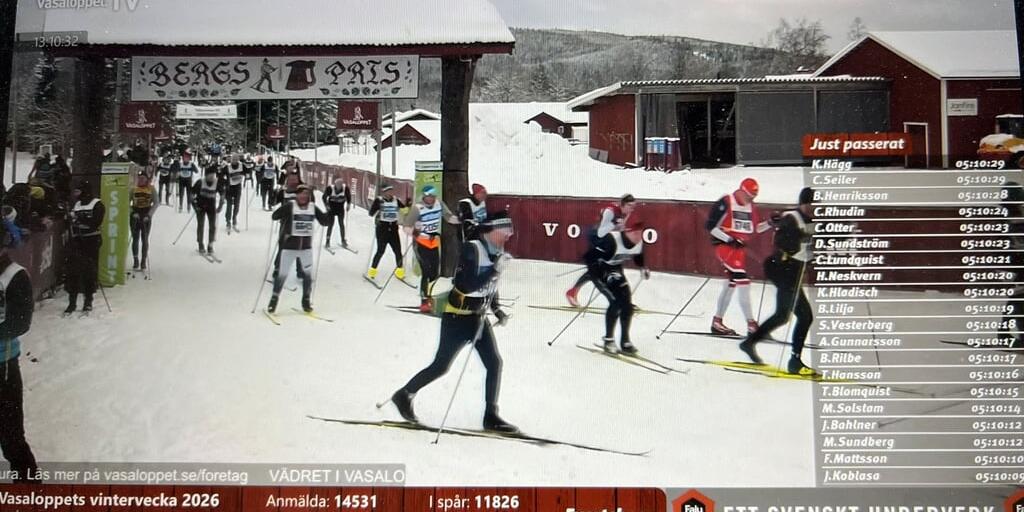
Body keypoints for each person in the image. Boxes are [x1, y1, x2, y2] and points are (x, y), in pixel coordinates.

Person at [389, 211, 516, 432]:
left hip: (477, 318)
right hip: (456, 318)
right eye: (505, 231)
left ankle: (491, 416)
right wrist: (494, 269)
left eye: (510, 232)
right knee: (441, 366)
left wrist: (497, 310)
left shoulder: (497, 252)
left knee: (494, 363)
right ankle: (404, 394)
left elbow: (491, 286)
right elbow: (466, 285)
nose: (508, 236)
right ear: (492, 230)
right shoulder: (472, 249)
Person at [740, 187, 816, 375]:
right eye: (808, 204)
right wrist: (798, 239)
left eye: (815, 205)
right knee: (804, 316)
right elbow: (781, 241)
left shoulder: (813, 221)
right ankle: (794, 361)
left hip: (793, 271)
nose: (812, 208)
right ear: (802, 204)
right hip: (783, 269)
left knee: (783, 315)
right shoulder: (792, 218)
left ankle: (749, 343)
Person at [706, 178, 773, 335]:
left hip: (739, 250)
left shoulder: (751, 207)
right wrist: (729, 239)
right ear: (741, 191)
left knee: (731, 283)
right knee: (743, 281)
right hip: (725, 247)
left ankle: (717, 321)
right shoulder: (727, 201)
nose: (750, 199)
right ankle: (751, 324)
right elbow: (710, 226)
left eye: (753, 197)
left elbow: (756, 228)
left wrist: (770, 223)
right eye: (749, 196)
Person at [0, 220, 40, 482]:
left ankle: (28, 487)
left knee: (11, 435)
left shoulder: (14, 276)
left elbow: (20, 322)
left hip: (3, 367)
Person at [584, 219, 651, 354]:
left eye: (640, 233)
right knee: (615, 302)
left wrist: (643, 267)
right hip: (599, 271)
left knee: (627, 304)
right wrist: (594, 273)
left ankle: (625, 341)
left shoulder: (639, 243)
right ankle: (608, 340)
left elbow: (638, 257)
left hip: (615, 270)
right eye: (635, 233)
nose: (638, 237)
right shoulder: (611, 240)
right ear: (626, 232)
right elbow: (589, 255)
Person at [565, 194, 637, 307]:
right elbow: (601, 233)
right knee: (602, 271)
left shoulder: (626, 213)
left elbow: (619, 229)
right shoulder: (610, 211)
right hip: (597, 240)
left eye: (634, 206)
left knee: (604, 271)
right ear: (623, 204)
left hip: (608, 243)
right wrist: (614, 223)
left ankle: (572, 292)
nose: (632, 209)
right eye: (630, 206)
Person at [268, 184, 330, 313]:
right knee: (282, 275)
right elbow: (274, 216)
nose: (303, 196)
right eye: (301, 194)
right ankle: (274, 300)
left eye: (306, 194)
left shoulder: (312, 208)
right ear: (297, 195)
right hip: (289, 247)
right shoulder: (290, 206)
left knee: (307, 276)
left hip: (306, 248)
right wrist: (283, 215)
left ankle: (306, 301)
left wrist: (329, 212)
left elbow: (324, 222)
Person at [403, 185, 460, 313]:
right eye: (429, 197)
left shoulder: (439, 204)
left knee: (434, 273)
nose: (432, 199)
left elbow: (449, 217)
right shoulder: (417, 208)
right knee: (426, 272)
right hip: (421, 244)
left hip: (433, 243)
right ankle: (424, 301)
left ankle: (431, 297)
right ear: (424, 197)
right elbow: (406, 226)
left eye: (434, 196)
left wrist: (461, 220)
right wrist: (415, 232)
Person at [65, 181, 105, 314]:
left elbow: (95, 222)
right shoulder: (77, 204)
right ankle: (72, 302)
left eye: (78, 191)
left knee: (89, 271)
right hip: (77, 240)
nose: (75, 194)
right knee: (73, 271)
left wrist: (79, 220)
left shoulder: (97, 204)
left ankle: (88, 300)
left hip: (91, 240)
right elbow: (72, 220)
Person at [367, 184, 407, 282]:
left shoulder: (396, 200)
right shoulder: (379, 200)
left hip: (393, 229)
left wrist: (408, 207)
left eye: (391, 190)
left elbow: (404, 210)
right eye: (387, 191)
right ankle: (372, 272)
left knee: (398, 251)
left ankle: (400, 272)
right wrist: (378, 210)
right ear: (383, 192)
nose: (390, 193)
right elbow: (371, 213)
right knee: (380, 251)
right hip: (382, 229)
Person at [130, 174, 158, 270]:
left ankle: (143, 260)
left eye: (143, 179)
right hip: (135, 214)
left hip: (146, 214)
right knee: (135, 238)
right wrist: (132, 212)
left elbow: (156, 202)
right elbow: (127, 202)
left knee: (145, 238)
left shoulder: (151, 189)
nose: (141, 180)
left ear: (146, 180)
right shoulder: (133, 188)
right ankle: (135, 259)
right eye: (140, 178)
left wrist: (149, 215)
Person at [192, 168, 220, 255]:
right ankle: (200, 244)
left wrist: (220, 205)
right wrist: (195, 206)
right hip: (200, 207)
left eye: (214, 175)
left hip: (211, 207)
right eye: (210, 175)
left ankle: (210, 245)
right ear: (206, 175)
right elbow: (191, 195)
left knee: (213, 226)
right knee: (201, 225)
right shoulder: (200, 182)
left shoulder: (217, 182)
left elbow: (222, 193)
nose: (212, 177)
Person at [323, 178, 351, 248]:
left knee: (341, 224)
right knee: (330, 224)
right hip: (331, 209)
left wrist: (348, 205)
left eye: (340, 185)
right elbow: (324, 197)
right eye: (337, 185)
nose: (339, 187)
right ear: (335, 184)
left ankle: (343, 241)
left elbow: (349, 197)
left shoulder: (345, 188)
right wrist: (326, 206)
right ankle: (327, 241)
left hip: (340, 208)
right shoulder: (330, 188)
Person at [222, 154, 246, 232]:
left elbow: (247, 171)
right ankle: (228, 222)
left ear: (238, 160)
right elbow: (221, 175)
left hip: (238, 187)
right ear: (231, 160)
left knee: (237, 205)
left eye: (236, 160)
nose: (234, 161)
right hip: (229, 188)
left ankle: (234, 220)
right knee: (229, 206)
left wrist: (247, 173)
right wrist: (224, 182)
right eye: (233, 160)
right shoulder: (227, 167)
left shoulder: (241, 165)